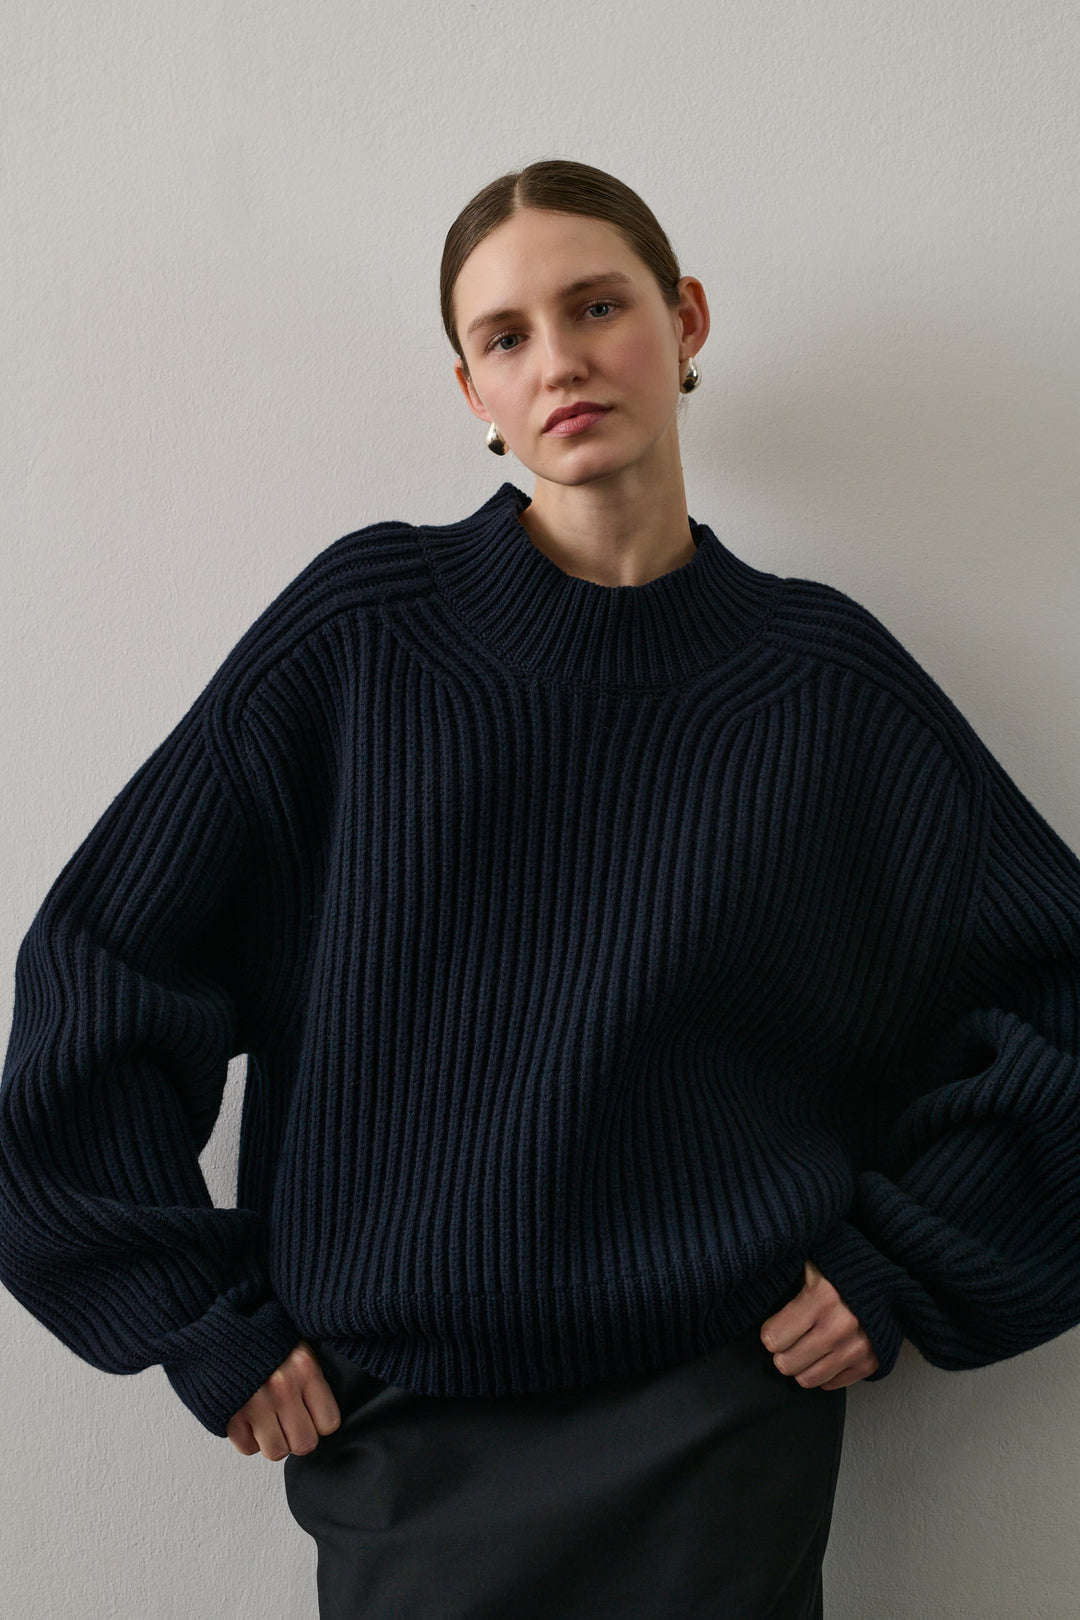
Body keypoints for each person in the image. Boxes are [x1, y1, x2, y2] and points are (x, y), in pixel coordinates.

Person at [1, 157, 1079, 1619]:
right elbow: (104, 963)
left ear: (685, 321)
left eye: (597, 306)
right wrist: (192, 1318)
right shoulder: (365, 634)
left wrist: (908, 1260)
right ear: (476, 394)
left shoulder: (823, 684)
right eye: (507, 336)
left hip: (721, 1415)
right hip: (400, 1428)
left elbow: (1060, 989)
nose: (560, 359)